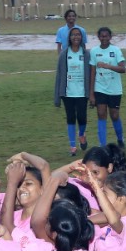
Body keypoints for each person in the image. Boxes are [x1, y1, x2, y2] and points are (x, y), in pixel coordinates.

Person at [54, 26, 90, 155]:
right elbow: (59, 74)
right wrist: (58, 95)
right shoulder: (64, 54)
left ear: (82, 38)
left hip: (82, 92)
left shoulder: (86, 54)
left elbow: (91, 74)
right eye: (73, 35)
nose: (76, 37)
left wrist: (91, 93)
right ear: (69, 37)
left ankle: (81, 135)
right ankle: (73, 146)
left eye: (78, 35)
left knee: (81, 117)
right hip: (68, 93)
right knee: (70, 118)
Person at [88, 27, 126, 149]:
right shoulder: (94, 51)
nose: (104, 38)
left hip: (115, 89)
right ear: (98, 37)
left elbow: (122, 69)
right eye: (102, 36)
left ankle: (120, 139)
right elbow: (92, 72)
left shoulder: (115, 50)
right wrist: (91, 93)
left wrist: (107, 66)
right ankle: (102, 145)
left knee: (114, 115)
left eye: (106, 36)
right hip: (100, 88)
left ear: (110, 37)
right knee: (101, 113)